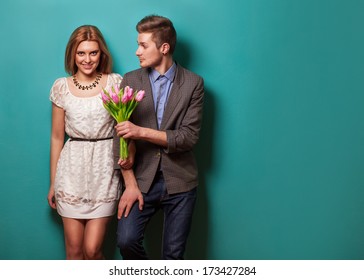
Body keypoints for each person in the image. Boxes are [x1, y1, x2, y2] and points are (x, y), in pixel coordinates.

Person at [114, 15, 205, 260]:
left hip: (180, 181)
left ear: (164, 48)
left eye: (143, 45)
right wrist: (130, 184)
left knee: (173, 257)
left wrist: (141, 131)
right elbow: (119, 138)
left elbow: (187, 138)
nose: (136, 52)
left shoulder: (193, 84)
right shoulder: (131, 80)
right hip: (141, 180)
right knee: (126, 241)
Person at [47, 25, 134, 259]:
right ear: (72, 55)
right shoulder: (61, 87)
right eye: (81, 53)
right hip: (71, 171)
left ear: (101, 54)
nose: (87, 60)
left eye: (93, 53)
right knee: (74, 251)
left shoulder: (115, 82)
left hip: (104, 170)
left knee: (92, 249)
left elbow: (125, 131)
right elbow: (57, 137)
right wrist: (54, 183)